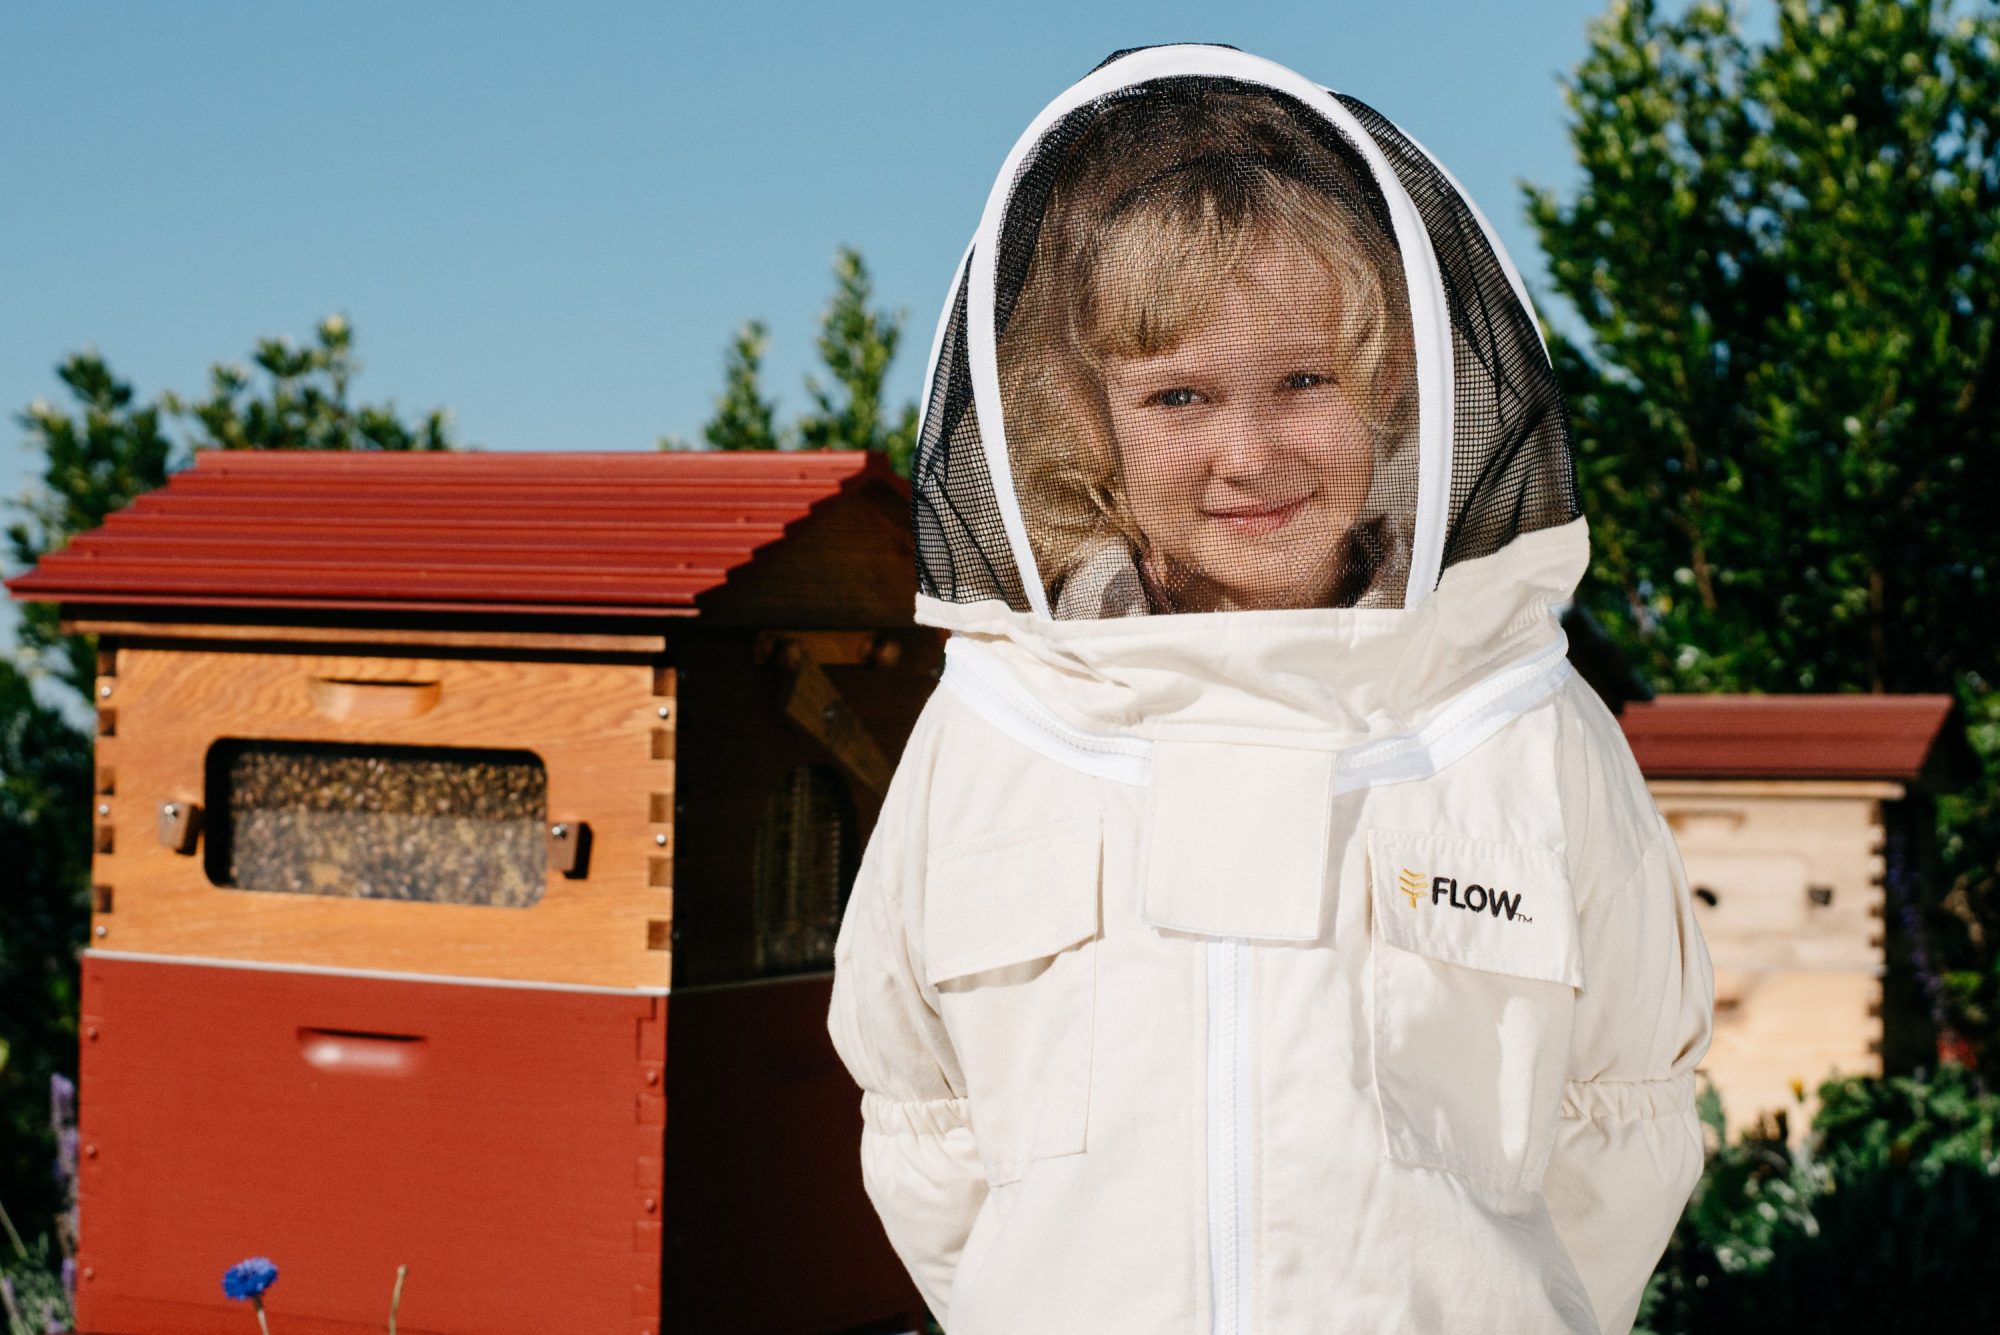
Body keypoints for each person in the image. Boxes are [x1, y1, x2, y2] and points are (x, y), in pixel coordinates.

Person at [829, 44, 1712, 1335]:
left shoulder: (1517, 723)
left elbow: (1619, 1126)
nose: (1247, 452)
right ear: (1088, 423)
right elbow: (929, 1124)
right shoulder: (995, 731)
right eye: (1178, 394)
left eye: (1303, 379)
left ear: (1395, 385)